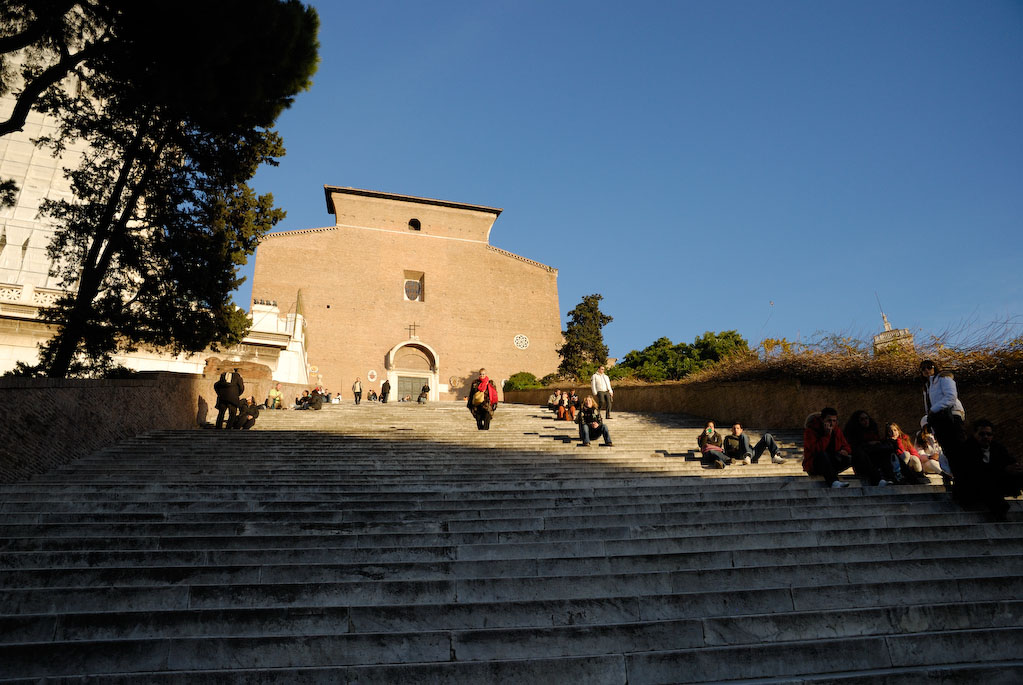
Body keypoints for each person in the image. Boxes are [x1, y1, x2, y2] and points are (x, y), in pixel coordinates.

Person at [958, 419, 1023, 519]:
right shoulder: (967, 448)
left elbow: (1008, 460)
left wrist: (1016, 467)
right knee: (986, 481)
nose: (986, 437)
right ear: (975, 434)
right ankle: (999, 510)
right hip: (973, 485)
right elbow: (974, 471)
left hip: (997, 480)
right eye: (982, 434)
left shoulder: (997, 447)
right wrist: (1003, 469)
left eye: (988, 434)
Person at [920, 359, 966, 475]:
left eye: (929, 367)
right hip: (938, 420)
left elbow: (951, 397)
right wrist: (930, 418)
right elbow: (928, 406)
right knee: (947, 450)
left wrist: (933, 410)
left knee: (958, 448)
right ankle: (958, 477)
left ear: (934, 367)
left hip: (951, 416)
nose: (926, 370)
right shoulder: (926, 386)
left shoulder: (943, 378)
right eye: (923, 368)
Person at [843, 410, 896, 486]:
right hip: (863, 462)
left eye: (866, 418)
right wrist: (868, 444)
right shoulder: (853, 433)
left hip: (875, 458)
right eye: (862, 419)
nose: (865, 421)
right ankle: (879, 479)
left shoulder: (873, 429)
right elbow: (854, 447)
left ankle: (891, 477)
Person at [802, 407, 852, 488]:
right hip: (815, 464)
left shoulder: (836, 430)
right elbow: (816, 450)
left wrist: (845, 450)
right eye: (829, 420)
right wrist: (827, 436)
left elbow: (846, 445)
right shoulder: (811, 431)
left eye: (834, 421)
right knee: (822, 455)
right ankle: (834, 482)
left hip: (832, 461)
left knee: (851, 457)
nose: (832, 423)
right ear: (822, 420)